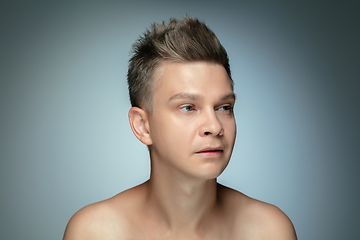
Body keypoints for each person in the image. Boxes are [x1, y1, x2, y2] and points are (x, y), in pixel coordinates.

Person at [63, 16, 297, 240]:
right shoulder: (95, 233)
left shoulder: (268, 231)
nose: (214, 127)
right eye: (188, 107)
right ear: (142, 126)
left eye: (224, 107)